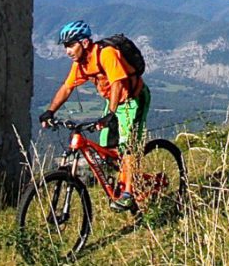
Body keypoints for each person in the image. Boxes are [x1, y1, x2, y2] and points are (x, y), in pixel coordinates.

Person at [38, 20, 151, 211]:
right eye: (65, 46)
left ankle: (128, 194)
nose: (67, 51)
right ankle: (126, 177)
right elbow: (67, 88)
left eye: (71, 45)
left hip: (133, 100)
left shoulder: (106, 54)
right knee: (106, 147)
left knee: (127, 147)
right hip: (114, 103)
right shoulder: (81, 64)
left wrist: (111, 114)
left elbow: (117, 83)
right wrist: (50, 111)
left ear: (83, 43)